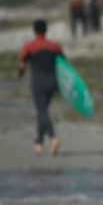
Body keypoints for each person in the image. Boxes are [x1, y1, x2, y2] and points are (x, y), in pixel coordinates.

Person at [18, 20, 64, 157]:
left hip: (38, 83)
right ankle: (39, 143)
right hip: (52, 83)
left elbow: (21, 65)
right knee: (42, 112)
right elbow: (64, 66)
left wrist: (20, 74)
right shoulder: (55, 46)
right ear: (46, 30)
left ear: (34, 30)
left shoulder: (29, 46)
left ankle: (53, 137)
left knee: (42, 111)